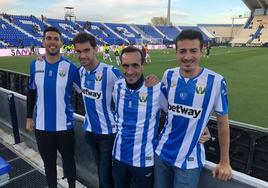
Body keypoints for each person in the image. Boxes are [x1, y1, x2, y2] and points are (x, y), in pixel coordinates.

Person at [154, 29, 232, 188]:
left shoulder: (216, 81)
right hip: (161, 153)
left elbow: (223, 123)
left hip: (189, 161)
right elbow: (164, 109)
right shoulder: (168, 75)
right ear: (176, 52)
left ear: (202, 51)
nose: (187, 56)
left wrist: (224, 162)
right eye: (182, 51)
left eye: (193, 51)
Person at [26, 26, 80, 188]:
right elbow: (31, 92)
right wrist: (29, 117)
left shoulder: (71, 68)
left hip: (65, 126)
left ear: (61, 43)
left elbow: (85, 91)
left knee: (69, 163)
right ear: (43, 41)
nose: (52, 42)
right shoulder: (35, 65)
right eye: (48, 38)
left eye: (56, 39)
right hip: (42, 127)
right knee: (49, 165)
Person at [112, 46, 167, 188]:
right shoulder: (117, 86)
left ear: (143, 66)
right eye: (125, 66)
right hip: (119, 155)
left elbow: (176, 116)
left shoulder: (156, 89)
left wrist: (203, 128)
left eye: (135, 65)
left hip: (144, 160)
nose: (130, 71)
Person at [72, 32, 122, 188]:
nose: (82, 55)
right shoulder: (80, 73)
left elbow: (130, 94)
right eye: (79, 52)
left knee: (106, 173)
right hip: (90, 131)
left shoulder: (111, 72)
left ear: (95, 49)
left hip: (108, 134)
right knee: (101, 171)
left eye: (86, 50)